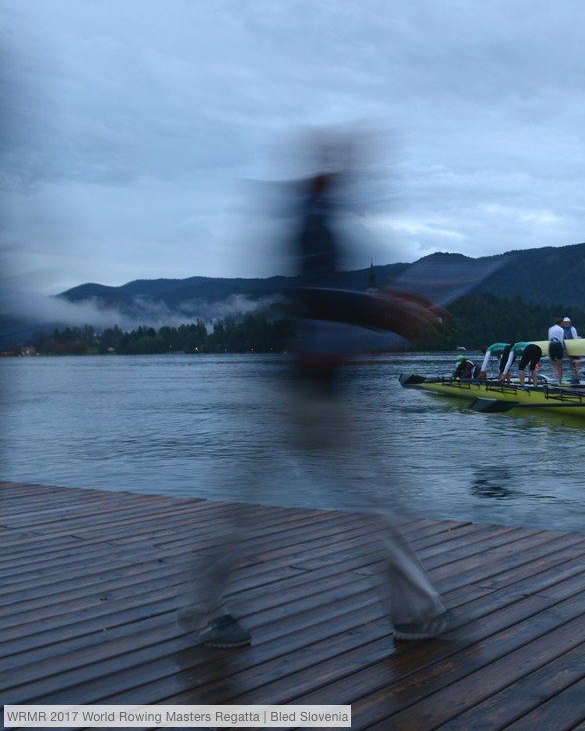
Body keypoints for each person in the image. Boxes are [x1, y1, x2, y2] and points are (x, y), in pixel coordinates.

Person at [179, 161, 449, 648]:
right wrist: (386, 309)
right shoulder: (313, 225)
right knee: (364, 504)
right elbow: (312, 298)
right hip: (300, 395)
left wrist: (385, 313)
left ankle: (418, 614)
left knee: (375, 503)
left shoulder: (323, 226)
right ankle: (202, 613)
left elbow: (327, 305)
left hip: (325, 393)